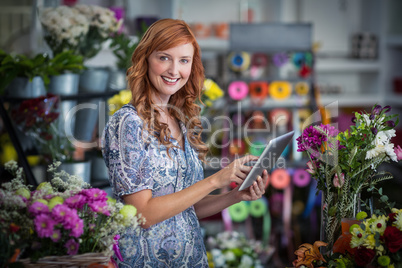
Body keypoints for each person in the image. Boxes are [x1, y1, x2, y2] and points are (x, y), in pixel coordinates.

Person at [101, 18, 268, 267]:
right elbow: (142, 214)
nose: (174, 71)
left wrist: (235, 195)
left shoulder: (180, 119)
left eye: (183, 61)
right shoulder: (128, 123)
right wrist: (216, 179)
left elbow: (187, 208)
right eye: (164, 58)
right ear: (145, 59)